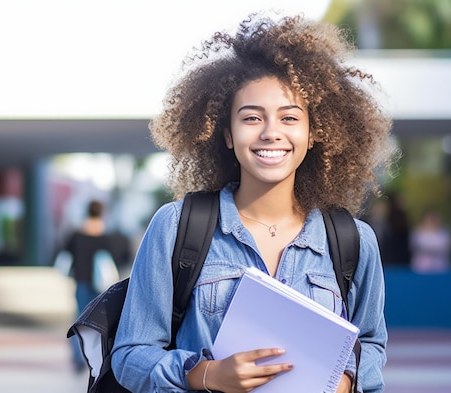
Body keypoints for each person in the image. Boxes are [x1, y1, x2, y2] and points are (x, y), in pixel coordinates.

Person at [111, 12, 395, 393]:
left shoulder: (353, 242)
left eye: (289, 117)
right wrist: (207, 374)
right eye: (252, 117)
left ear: (313, 134)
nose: (271, 133)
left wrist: (343, 383)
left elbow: (372, 345)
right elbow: (130, 355)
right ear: (227, 134)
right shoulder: (177, 227)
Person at [62, 199, 123, 371]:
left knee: (79, 319)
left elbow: (65, 253)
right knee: (100, 322)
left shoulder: (77, 235)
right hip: (102, 286)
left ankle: (78, 359)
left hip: (81, 281)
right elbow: (117, 259)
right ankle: (96, 359)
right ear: (101, 212)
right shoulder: (107, 237)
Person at [410, 208, 451, 273]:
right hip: (422, 268)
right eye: (430, 219)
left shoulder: (445, 234)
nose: (432, 221)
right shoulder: (417, 234)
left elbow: (447, 248)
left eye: (434, 219)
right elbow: (416, 247)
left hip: (441, 267)